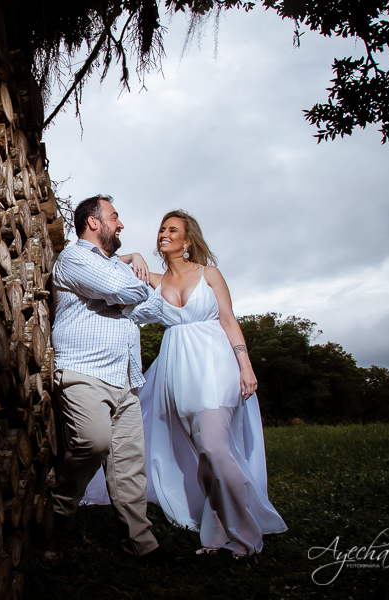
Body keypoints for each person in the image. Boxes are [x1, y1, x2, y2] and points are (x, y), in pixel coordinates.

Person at [85, 209, 287, 555]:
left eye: (172, 230)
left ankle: (248, 538)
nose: (164, 234)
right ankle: (216, 536)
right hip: (178, 370)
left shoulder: (210, 274)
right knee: (204, 458)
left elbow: (229, 320)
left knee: (214, 449)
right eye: (162, 229)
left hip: (215, 364)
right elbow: (114, 268)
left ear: (188, 241)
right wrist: (132, 255)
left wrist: (246, 366)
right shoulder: (157, 281)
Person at [50, 195, 179, 564]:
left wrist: (130, 275)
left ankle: (142, 546)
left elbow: (153, 309)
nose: (120, 224)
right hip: (84, 370)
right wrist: (129, 278)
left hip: (125, 374)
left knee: (129, 464)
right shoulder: (73, 258)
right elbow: (128, 292)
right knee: (93, 443)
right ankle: (59, 510)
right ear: (94, 222)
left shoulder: (113, 266)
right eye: (114, 217)